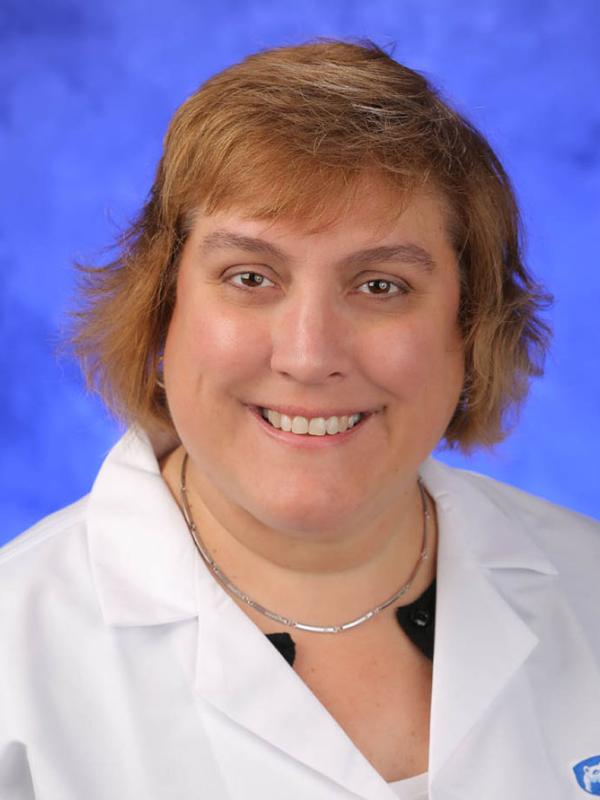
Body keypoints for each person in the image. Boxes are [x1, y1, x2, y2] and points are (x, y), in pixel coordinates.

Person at [0, 38, 598, 800]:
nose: (309, 356)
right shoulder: (14, 662)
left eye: (380, 286)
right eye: (250, 276)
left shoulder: (588, 584)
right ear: (161, 308)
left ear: (471, 327)